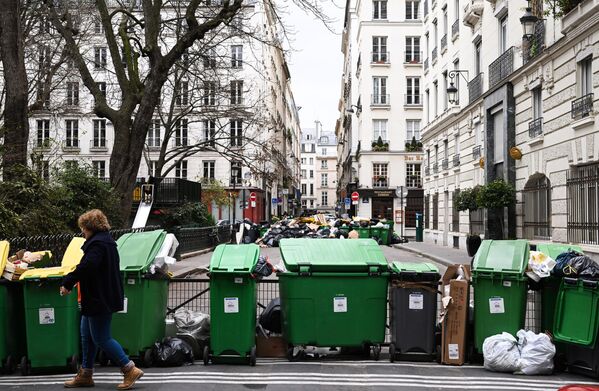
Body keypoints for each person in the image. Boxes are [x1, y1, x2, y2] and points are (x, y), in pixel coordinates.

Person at [61, 209, 144, 390]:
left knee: (101, 338)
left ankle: (129, 369)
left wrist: (68, 282)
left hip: (99, 298)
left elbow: (87, 266)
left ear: (90, 227)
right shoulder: (105, 242)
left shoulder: (98, 245)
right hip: (98, 297)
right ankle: (86, 374)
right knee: (87, 335)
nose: (82, 232)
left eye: (83, 228)